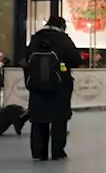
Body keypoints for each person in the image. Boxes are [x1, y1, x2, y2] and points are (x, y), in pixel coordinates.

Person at [25, 15, 81, 161]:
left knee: (38, 119)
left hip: (37, 86)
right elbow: (76, 59)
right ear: (62, 26)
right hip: (59, 85)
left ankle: (39, 152)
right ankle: (57, 151)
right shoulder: (63, 39)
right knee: (59, 118)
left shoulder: (35, 38)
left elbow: (25, 58)